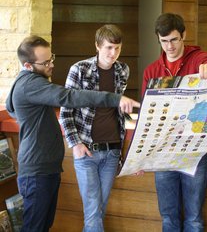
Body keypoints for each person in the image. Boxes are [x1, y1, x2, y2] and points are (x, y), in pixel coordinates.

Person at [5, 35, 140, 232]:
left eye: (52, 58)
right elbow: (69, 97)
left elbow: (10, 107)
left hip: (46, 169)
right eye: (45, 62)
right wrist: (115, 99)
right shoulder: (30, 84)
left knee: (43, 225)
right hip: (37, 172)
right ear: (27, 65)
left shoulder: (27, 82)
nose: (51, 65)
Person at [142, 13, 207, 232]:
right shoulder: (152, 71)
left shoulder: (197, 59)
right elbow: (148, 115)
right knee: (168, 218)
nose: (170, 46)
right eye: (164, 41)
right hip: (163, 151)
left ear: (183, 35)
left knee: (194, 218)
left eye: (174, 39)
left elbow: (206, 61)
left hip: (194, 151)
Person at [59, 24, 131, 232]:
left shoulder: (122, 70)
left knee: (98, 210)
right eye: (108, 47)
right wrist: (76, 144)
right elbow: (66, 112)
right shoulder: (79, 69)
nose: (113, 53)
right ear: (97, 46)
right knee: (92, 211)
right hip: (87, 151)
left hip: (112, 150)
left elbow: (117, 111)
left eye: (117, 48)